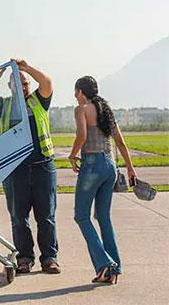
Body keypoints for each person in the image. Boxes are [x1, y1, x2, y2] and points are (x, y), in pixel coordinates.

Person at [0, 59, 60, 274]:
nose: (22, 86)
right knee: (19, 218)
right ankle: (25, 258)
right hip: (15, 170)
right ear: (10, 86)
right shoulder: (5, 106)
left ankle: (50, 258)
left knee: (46, 216)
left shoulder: (39, 101)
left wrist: (26, 69)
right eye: (17, 83)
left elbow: (47, 82)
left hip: (42, 166)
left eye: (25, 83)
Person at [68, 76, 137, 284]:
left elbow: (81, 136)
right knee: (104, 217)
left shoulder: (81, 109)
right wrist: (130, 168)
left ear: (80, 92)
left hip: (91, 165)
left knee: (81, 216)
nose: (74, 95)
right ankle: (114, 268)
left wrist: (72, 155)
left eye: (75, 91)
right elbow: (120, 142)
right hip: (110, 166)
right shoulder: (106, 109)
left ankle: (105, 264)